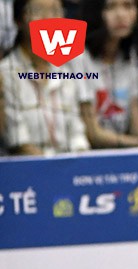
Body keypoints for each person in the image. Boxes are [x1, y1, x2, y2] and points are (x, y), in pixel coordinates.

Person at [77, 0, 138, 149]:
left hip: (123, 153)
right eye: (110, 7)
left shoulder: (129, 56)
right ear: (94, 13)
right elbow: (93, 134)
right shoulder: (79, 57)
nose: (121, 15)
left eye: (128, 6)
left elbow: (136, 127)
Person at [0, 0, 90, 155]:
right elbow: (19, 143)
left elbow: (78, 135)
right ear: (18, 19)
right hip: (28, 170)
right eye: (38, 11)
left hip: (70, 168)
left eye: (56, 11)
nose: (49, 18)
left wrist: (79, 162)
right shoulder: (6, 73)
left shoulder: (67, 71)